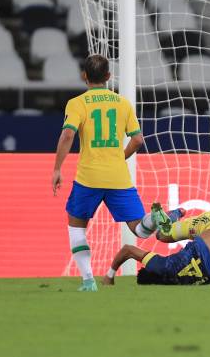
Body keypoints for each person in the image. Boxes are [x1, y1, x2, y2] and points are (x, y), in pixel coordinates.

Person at [51, 55, 163, 292]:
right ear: (108, 77)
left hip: (88, 178)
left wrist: (57, 168)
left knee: (76, 226)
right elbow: (138, 140)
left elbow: (68, 135)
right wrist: (119, 157)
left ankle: (88, 281)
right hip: (118, 178)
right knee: (139, 229)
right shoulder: (122, 103)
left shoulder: (77, 103)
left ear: (84, 76)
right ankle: (154, 219)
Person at [102, 204, 210, 286]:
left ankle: (172, 214)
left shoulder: (164, 269)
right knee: (162, 236)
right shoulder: (164, 266)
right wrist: (110, 275)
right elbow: (129, 251)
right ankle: (171, 217)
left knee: (162, 235)